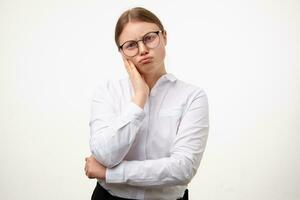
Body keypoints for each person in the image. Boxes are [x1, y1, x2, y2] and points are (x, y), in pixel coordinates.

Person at [84, 7, 209, 200]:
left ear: (164, 37)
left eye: (150, 38)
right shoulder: (107, 93)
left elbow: (183, 168)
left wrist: (110, 174)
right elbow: (105, 156)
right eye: (131, 45)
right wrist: (139, 98)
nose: (143, 50)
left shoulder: (192, 97)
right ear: (121, 52)